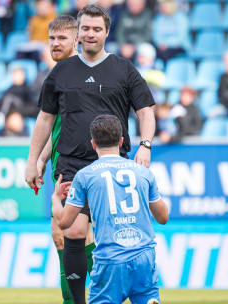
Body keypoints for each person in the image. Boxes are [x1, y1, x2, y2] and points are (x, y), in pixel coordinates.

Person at [25, 5, 156, 303]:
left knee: (115, 238)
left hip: (112, 163)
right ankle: (77, 302)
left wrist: (145, 146)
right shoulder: (61, 72)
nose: (90, 34)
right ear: (79, 33)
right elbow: (45, 118)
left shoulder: (124, 69)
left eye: (97, 29)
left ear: (107, 32)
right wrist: (34, 160)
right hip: (71, 164)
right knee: (71, 230)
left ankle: (118, 292)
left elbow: (146, 111)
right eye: (85, 28)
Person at [52, 114, 168, 304]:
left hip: (110, 259)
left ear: (92, 143)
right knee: (146, 296)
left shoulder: (85, 175)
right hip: (144, 257)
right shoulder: (143, 173)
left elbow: (64, 222)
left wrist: (56, 199)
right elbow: (163, 217)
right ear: (122, 141)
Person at [34, 15, 95, 304]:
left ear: (76, 40)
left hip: (86, 164)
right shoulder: (56, 77)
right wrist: (40, 159)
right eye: (52, 39)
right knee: (61, 235)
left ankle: (100, 293)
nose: (55, 44)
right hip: (61, 164)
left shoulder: (87, 73)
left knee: (80, 235)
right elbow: (51, 123)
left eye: (62, 39)